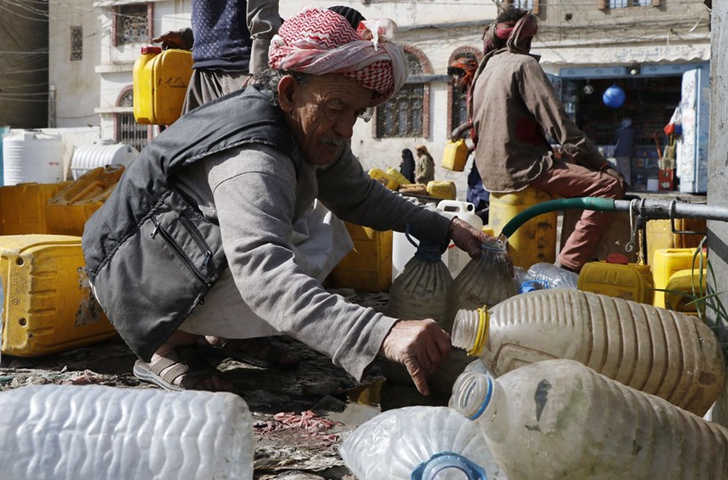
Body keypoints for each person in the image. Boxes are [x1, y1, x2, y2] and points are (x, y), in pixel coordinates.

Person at [82, 7, 487, 396]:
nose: (346, 128)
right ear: (289, 91)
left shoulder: (306, 124)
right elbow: (264, 276)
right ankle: (165, 343)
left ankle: (226, 333)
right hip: (131, 272)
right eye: (337, 107)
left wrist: (444, 227)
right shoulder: (255, 155)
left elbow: (360, 198)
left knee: (323, 230)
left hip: (182, 251)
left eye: (357, 113)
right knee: (285, 255)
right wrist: (380, 332)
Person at [470, 7, 624, 272]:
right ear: (522, 37)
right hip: (524, 169)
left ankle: (570, 257)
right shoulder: (523, 64)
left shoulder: (484, 69)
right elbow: (559, 124)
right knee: (608, 187)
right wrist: (601, 164)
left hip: (491, 174)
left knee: (582, 183)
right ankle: (567, 267)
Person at [153, 0, 281, 114]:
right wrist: (190, 38)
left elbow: (264, 22)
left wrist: (259, 73)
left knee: (246, 136)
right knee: (195, 138)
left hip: (239, 71)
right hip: (203, 73)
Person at [448, 55, 489, 223]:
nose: (454, 81)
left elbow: (483, 117)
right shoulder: (473, 90)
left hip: (488, 153)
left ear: (466, 74)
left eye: (456, 76)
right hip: (481, 150)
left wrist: (460, 129)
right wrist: (471, 149)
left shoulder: (479, 89)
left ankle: (482, 221)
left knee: (479, 189)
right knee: (473, 188)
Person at [614, 117, 635, 187]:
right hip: (627, 153)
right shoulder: (631, 132)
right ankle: (627, 184)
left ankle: (620, 184)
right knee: (626, 170)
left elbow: (615, 140)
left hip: (619, 152)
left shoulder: (619, 131)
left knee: (619, 170)